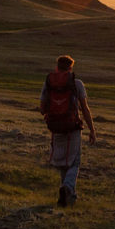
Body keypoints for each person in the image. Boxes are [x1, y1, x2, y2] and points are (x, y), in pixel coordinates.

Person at [40, 55, 96, 206]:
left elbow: (42, 106)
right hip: (72, 126)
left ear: (57, 67)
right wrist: (92, 129)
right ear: (71, 68)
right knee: (74, 161)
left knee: (63, 162)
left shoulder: (49, 81)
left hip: (55, 126)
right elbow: (84, 108)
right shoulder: (76, 83)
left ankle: (67, 196)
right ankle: (68, 187)